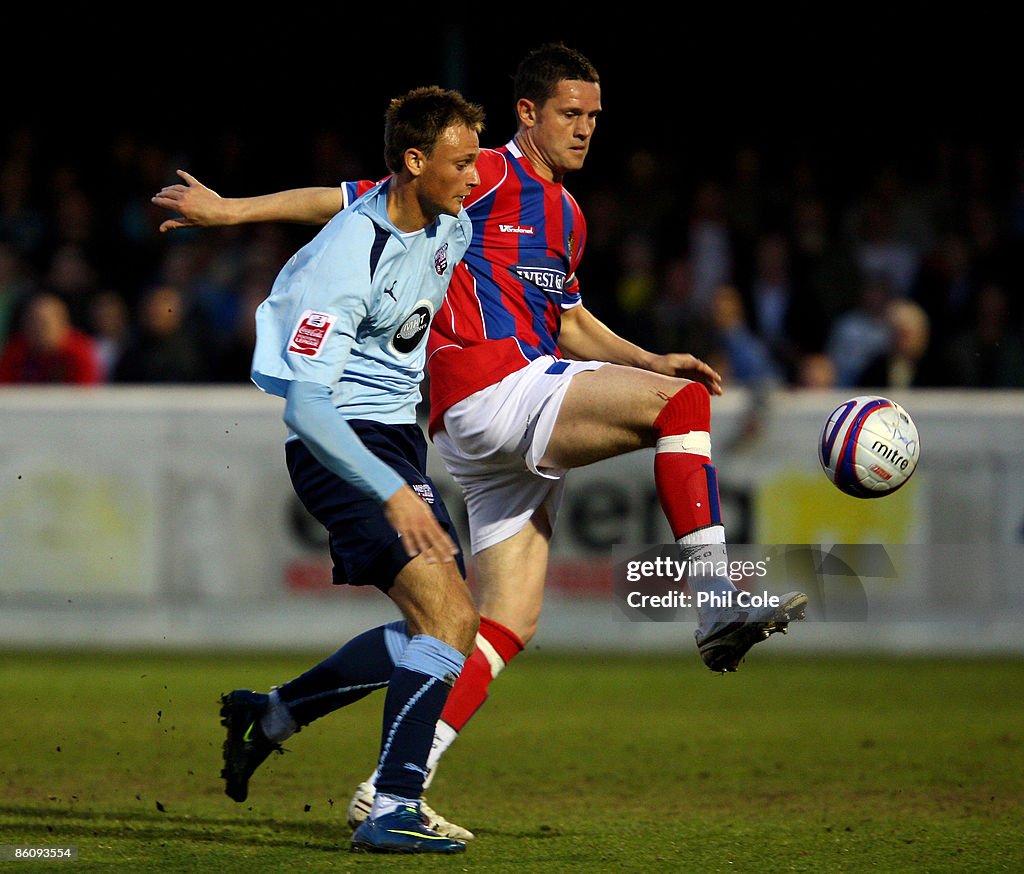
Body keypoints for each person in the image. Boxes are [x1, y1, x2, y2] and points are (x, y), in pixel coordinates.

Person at [153, 43, 807, 839]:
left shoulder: (565, 214)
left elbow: (563, 316)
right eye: (571, 112)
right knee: (677, 410)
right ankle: (712, 598)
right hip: (490, 393)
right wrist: (229, 212)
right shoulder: (481, 173)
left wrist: (642, 357)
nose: (587, 128)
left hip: (478, 410)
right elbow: (347, 200)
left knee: (488, 623)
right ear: (527, 113)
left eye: (596, 116)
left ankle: (325, 741)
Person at [209, 86, 485, 855]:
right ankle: (392, 805)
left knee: (436, 626)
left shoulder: (444, 218)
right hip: (342, 447)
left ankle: (270, 714)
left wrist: (232, 210)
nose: (475, 176)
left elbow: (326, 193)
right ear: (414, 161)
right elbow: (306, 407)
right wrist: (392, 492)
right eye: (463, 163)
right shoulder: (346, 254)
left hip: (397, 443)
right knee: (451, 619)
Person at [0, 290, 103, 384]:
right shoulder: (15, 351)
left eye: (44, 323)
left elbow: (86, 395)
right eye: (32, 322)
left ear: (63, 324)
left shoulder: (80, 353)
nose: (37, 329)